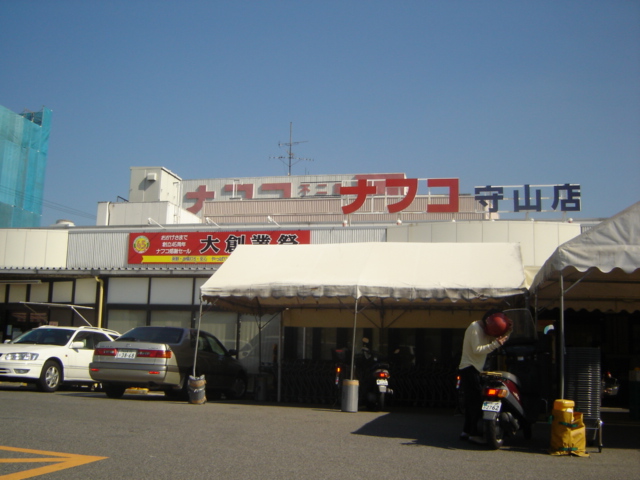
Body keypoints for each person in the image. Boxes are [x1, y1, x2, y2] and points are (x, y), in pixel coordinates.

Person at [458, 309, 512, 444]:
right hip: (469, 368)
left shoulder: (486, 331)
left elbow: (497, 339)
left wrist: (508, 331)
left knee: (472, 402)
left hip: (476, 369)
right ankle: (473, 433)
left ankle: (466, 431)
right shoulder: (475, 327)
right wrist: (496, 344)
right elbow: (477, 350)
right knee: (475, 403)